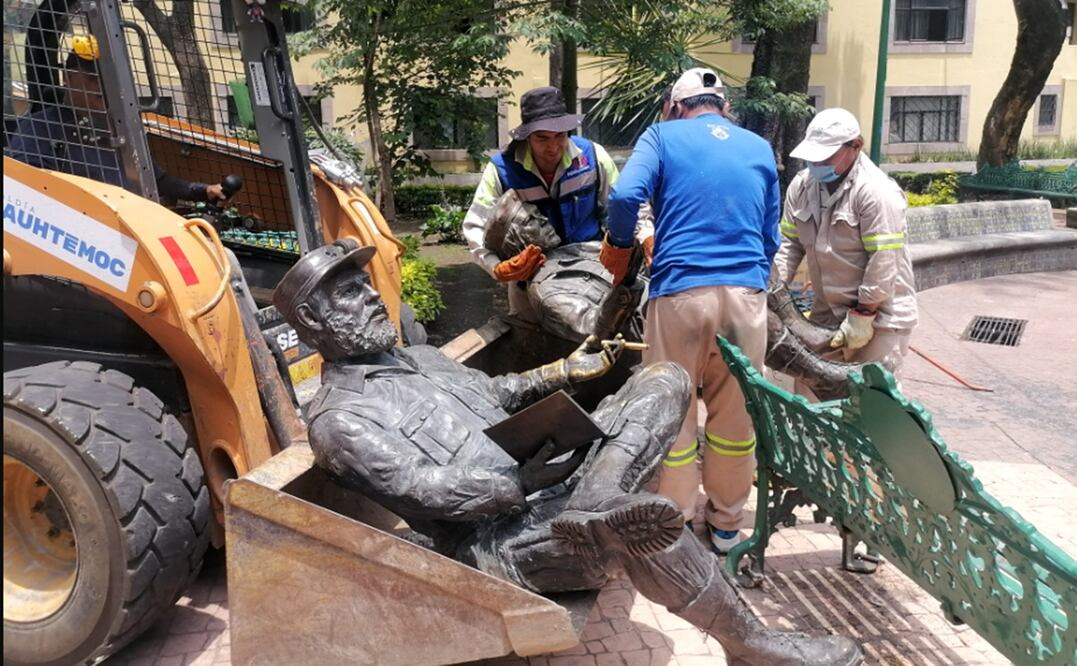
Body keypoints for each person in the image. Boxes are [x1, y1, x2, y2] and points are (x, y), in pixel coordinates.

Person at [273, 239, 861, 666]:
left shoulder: (417, 358)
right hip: (496, 542)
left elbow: (493, 391)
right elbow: (424, 490)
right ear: (312, 320)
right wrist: (521, 485)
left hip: (553, 486)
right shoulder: (339, 420)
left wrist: (564, 371)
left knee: (664, 381)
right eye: (350, 293)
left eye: (366, 283)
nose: (373, 296)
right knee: (636, 529)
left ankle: (600, 495)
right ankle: (751, 645)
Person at [601, 68, 781, 555]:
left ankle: (675, 521)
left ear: (676, 106)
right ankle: (725, 526)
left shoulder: (662, 135)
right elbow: (770, 235)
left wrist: (621, 245)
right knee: (734, 417)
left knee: (673, 408)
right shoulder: (758, 147)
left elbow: (623, 196)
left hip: (680, 292)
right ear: (721, 106)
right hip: (746, 298)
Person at [463, 86, 648, 323]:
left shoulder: (592, 157)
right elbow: (474, 226)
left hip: (593, 268)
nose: (552, 148)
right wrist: (497, 267)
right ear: (526, 136)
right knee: (530, 341)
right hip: (529, 278)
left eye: (560, 136)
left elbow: (623, 207)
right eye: (542, 138)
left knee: (604, 330)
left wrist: (639, 240)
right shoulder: (502, 169)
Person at [774, 108, 917, 379]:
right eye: (813, 156)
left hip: (880, 317)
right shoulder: (802, 186)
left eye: (826, 156)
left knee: (871, 401)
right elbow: (788, 245)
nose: (817, 164)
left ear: (856, 146)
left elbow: (884, 260)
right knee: (813, 392)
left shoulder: (876, 191)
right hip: (827, 311)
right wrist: (776, 291)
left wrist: (863, 314)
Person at [5, 35, 230, 204]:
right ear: (68, 77)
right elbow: (28, 193)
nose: (102, 87)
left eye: (108, 79)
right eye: (93, 78)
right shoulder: (39, 128)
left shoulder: (119, 130)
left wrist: (202, 190)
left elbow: (157, 180)